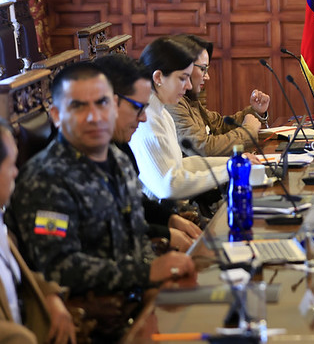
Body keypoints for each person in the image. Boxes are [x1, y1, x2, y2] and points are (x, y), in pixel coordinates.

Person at [9, 62, 196, 299]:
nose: (94, 117)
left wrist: (166, 246)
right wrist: (146, 274)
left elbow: (131, 231)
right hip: (98, 312)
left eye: (102, 103)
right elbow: (56, 268)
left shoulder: (117, 160)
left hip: (141, 296)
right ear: (56, 115)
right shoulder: (45, 179)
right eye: (78, 107)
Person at [94, 54, 202, 252]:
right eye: (138, 107)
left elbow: (133, 200)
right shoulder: (60, 168)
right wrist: (163, 235)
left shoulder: (114, 149)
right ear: (108, 102)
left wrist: (169, 220)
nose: (143, 118)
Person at [0, 120, 76, 344]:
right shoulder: (42, 178)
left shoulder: (112, 158)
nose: (16, 172)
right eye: (11, 165)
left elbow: (18, 275)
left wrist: (50, 293)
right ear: (58, 115)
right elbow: (56, 259)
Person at [129, 36, 230, 201]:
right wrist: (230, 170)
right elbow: (168, 186)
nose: (188, 85)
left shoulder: (161, 112)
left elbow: (180, 166)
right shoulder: (146, 119)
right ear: (158, 77)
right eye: (183, 78)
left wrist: (233, 163)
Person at [166, 34, 270, 157]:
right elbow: (203, 148)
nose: (207, 76)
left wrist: (255, 111)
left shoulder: (189, 100)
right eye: (203, 69)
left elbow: (219, 125)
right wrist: (248, 131)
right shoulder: (172, 103)